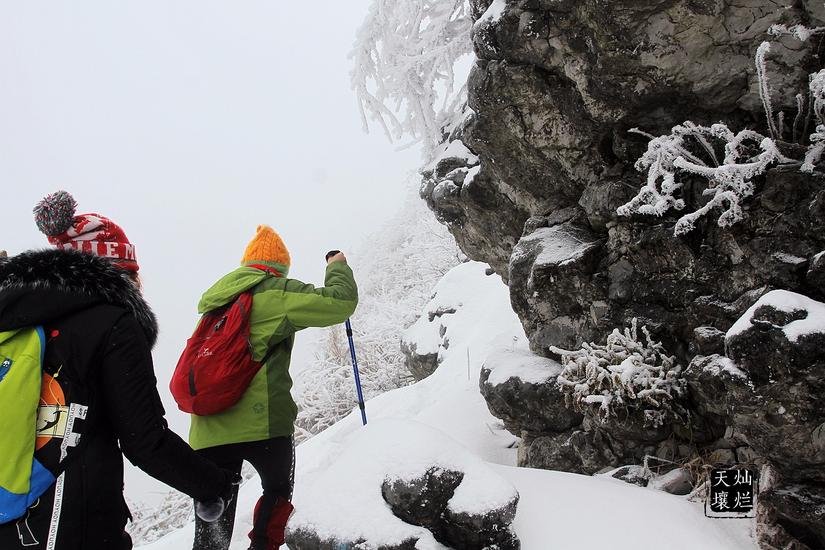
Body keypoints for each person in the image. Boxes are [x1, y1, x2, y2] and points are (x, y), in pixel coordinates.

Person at [0, 191, 236, 550]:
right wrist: (213, 485)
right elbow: (145, 442)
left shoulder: (19, 319)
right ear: (114, 269)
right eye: (133, 272)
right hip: (78, 523)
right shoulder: (112, 322)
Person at [189, 225, 358, 550]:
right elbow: (341, 302)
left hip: (206, 430)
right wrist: (337, 266)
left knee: (211, 533)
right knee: (277, 492)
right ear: (278, 267)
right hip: (263, 426)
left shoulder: (215, 305)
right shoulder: (275, 292)